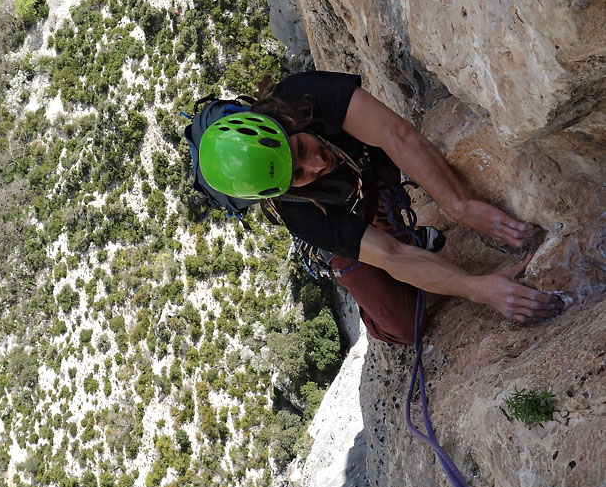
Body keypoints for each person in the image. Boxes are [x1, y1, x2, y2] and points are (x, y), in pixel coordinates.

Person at [198, 71, 563, 345]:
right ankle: (365, 281)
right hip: (343, 213)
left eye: (299, 149)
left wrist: (459, 206)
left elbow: (396, 134)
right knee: (404, 326)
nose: (316, 164)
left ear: (284, 123)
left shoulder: (304, 96)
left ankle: (389, 220)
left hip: (372, 172)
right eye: (298, 175)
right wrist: (478, 288)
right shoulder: (300, 214)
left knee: (396, 178)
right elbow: (390, 255)